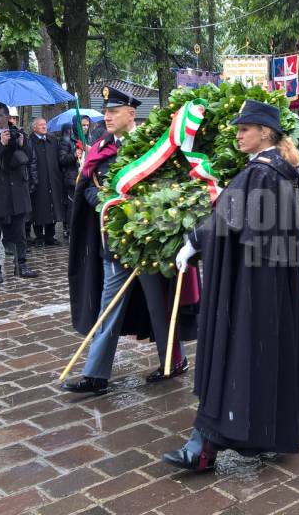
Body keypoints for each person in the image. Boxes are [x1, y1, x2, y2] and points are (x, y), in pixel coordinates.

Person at [163, 99, 299, 471]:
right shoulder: (275, 171)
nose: (238, 133)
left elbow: (228, 222)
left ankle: (205, 446)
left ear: (265, 131)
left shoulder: (260, 173)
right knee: (264, 354)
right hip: (270, 282)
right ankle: (269, 430)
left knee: (237, 355)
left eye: (244, 128)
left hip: (252, 285)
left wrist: (194, 242)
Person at [64, 86, 197, 393]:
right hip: (114, 244)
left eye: (113, 112)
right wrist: (100, 197)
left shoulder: (154, 147)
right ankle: (96, 375)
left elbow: (173, 185)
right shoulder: (101, 147)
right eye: (106, 112)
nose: (107, 117)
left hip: (149, 244)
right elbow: (87, 185)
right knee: (107, 307)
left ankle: (172, 362)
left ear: (131, 114)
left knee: (158, 306)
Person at [0, 102, 39, 283]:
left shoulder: (16, 132)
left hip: (17, 188)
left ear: (7, 116)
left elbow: (27, 157)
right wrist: (1, 144)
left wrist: (22, 143)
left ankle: (21, 265)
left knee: (19, 231)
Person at [28, 118, 66, 245]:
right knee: (38, 208)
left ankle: (50, 235)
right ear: (34, 128)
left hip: (53, 179)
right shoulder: (30, 141)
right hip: (38, 179)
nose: (44, 127)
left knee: (53, 206)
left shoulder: (53, 140)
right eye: (41, 125)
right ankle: (39, 236)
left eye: (45, 124)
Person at [56, 122, 81, 238]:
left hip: (84, 176)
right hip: (71, 177)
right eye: (83, 125)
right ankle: (71, 229)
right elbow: (62, 160)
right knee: (71, 205)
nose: (85, 127)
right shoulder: (65, 140)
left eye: (87, 125)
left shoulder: (87, 138)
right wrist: (74, 155)